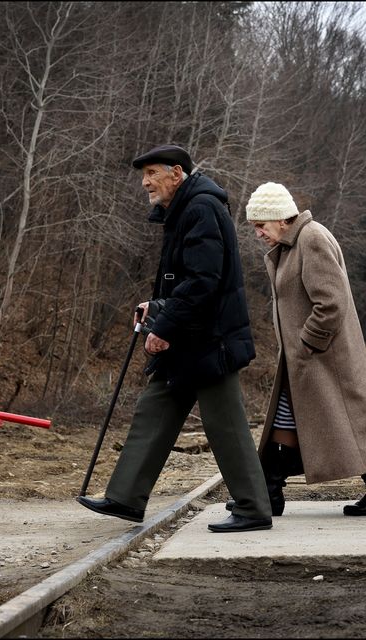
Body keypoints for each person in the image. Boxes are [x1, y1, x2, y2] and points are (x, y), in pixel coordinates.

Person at [77, 144, 274, 533]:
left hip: (208, 340)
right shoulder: (185, 209)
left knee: (226, 426)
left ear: (177, 174)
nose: (146, 182)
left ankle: (253, 509)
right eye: (144, 174)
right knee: (154, 409)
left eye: (152, 173)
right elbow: (189, 279)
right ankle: (126, 498)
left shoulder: (200, 208)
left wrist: (164, 327)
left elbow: (204, 282)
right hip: (192, 336)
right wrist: (158, 305)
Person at [244, 182, 366, 517]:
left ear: (281, 219)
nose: (257, 233)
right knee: (291, 417)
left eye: (260, 225)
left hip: (325, 357)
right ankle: (270, 489)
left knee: (343, 421)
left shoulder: (311, 238)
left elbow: (331, 302)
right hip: (307, 359)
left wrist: (306, 343)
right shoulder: (291, 244)